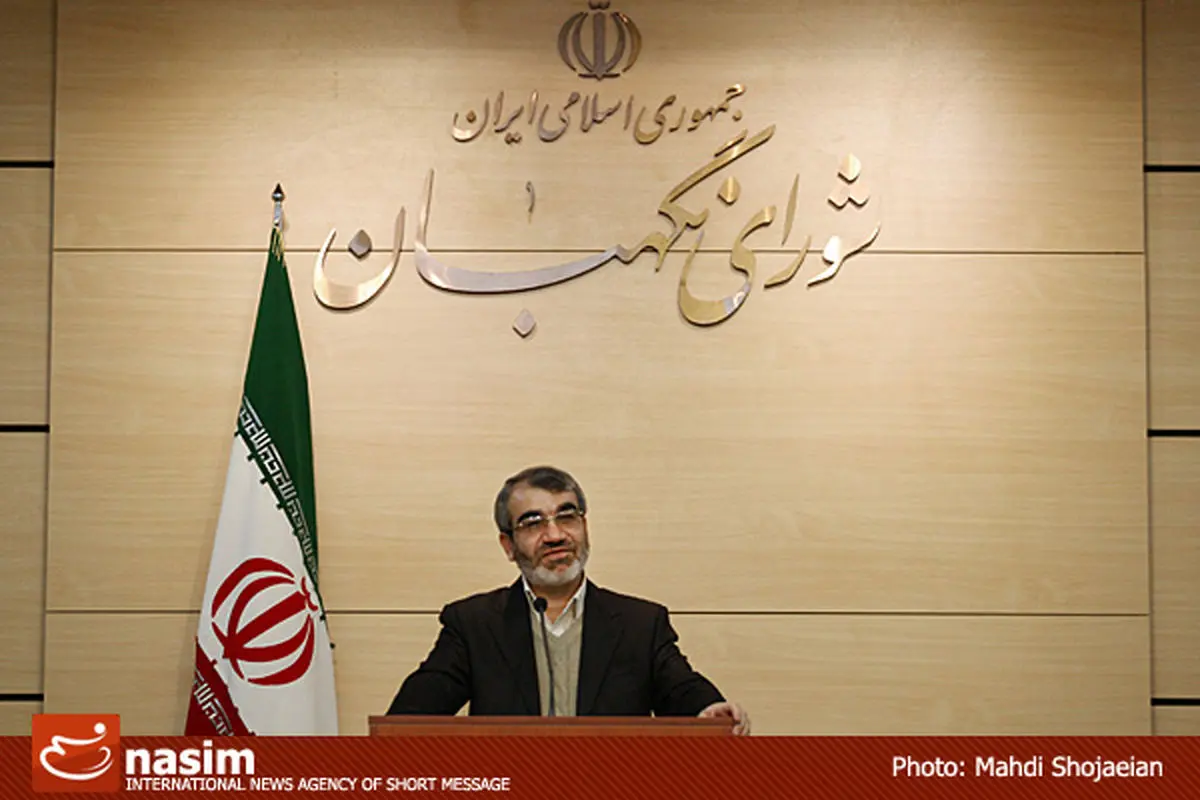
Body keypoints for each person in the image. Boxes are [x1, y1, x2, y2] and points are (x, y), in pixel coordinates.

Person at [386, 465, 751, 734]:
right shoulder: (474, 623)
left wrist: (708, 708)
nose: (555, 535)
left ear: (585, 527)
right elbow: (409, 718)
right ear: (508, 545)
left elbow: (682, 688)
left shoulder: (640, 623)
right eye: (533, 523)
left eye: (567, 516)